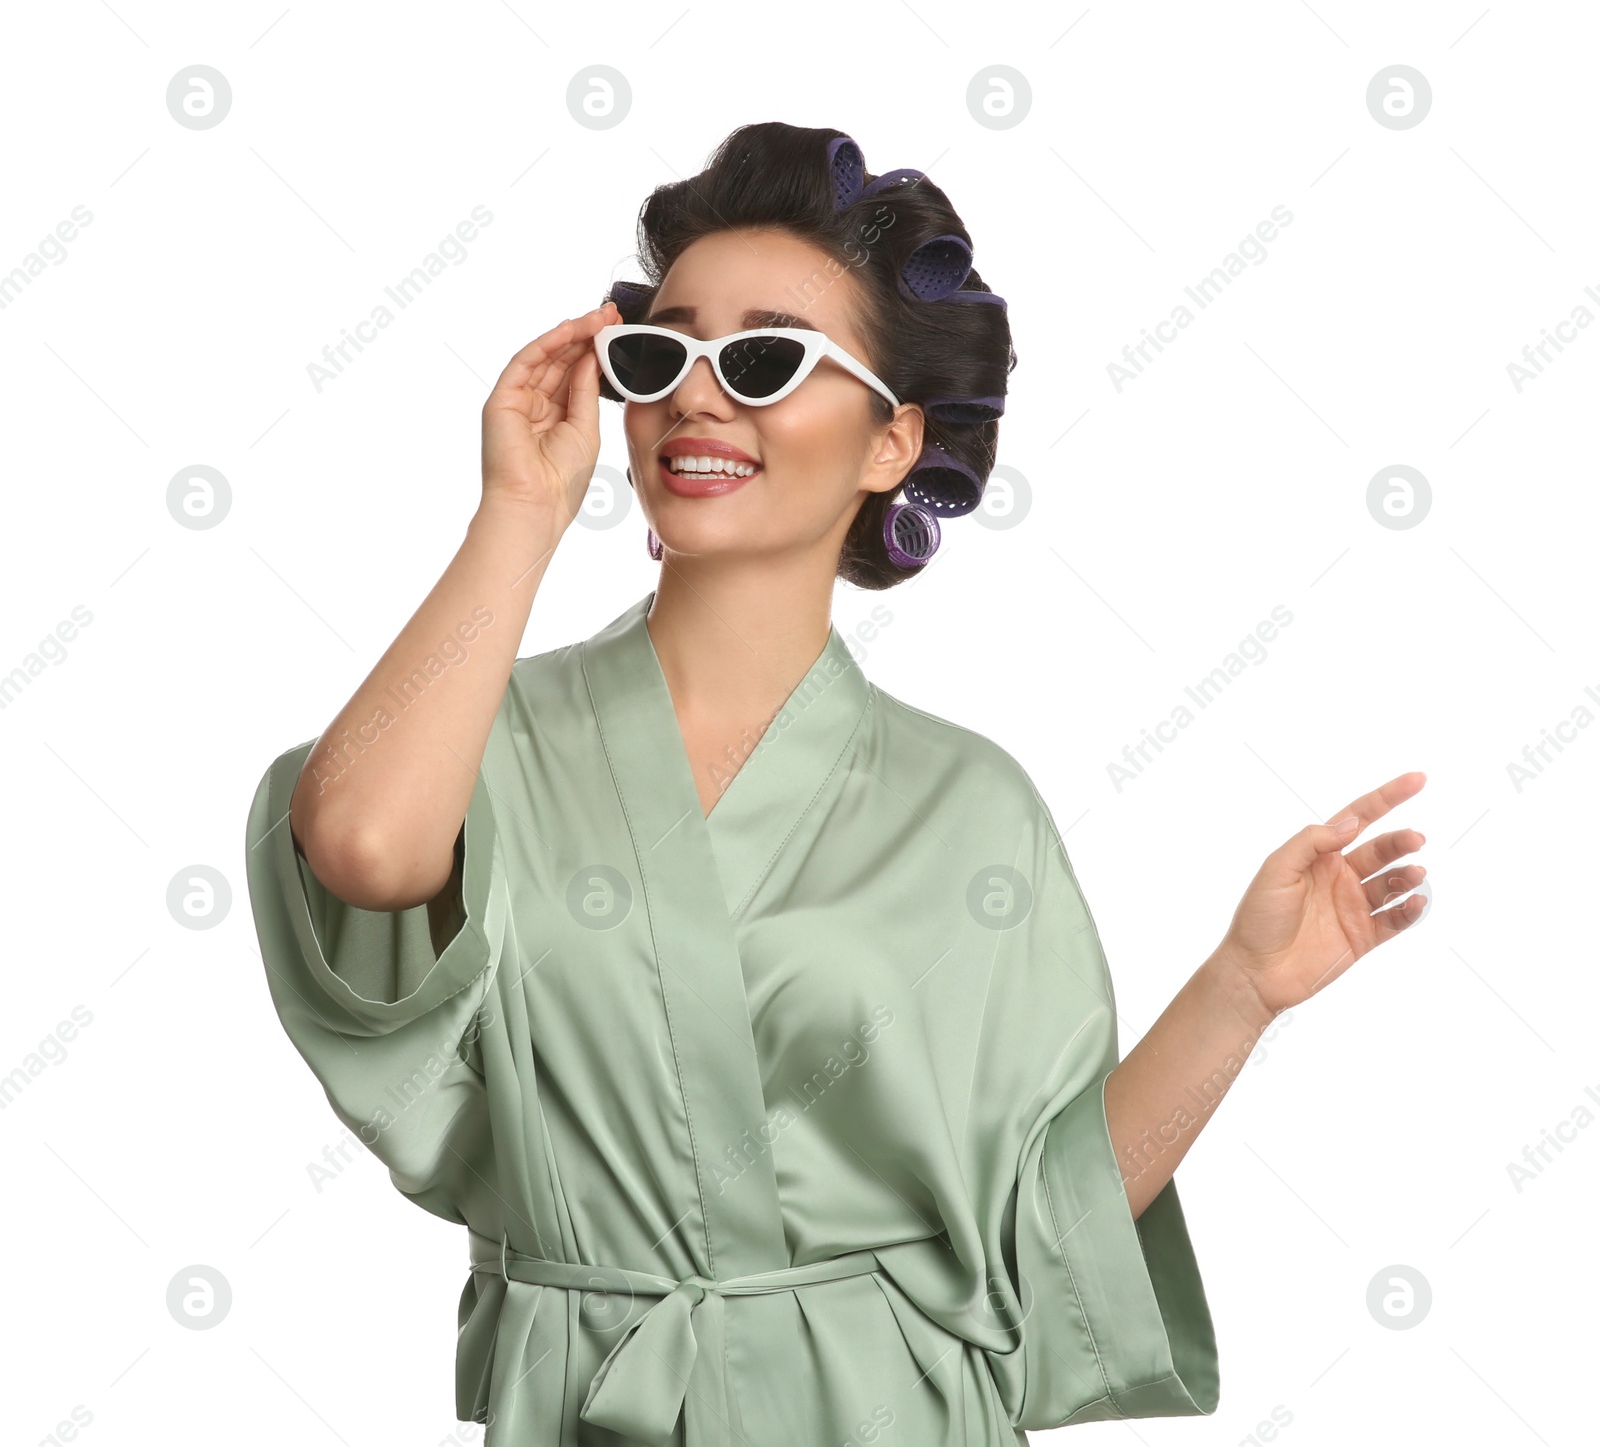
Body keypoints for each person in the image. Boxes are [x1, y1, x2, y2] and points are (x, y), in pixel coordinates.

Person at [244, 122, 1428, 1446]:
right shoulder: (487, 740)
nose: (698, 395)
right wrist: (516, 515)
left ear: (889, 442)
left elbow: (1042, 1234)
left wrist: (1239, 991)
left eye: (764, 359)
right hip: (587, 1402)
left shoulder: (968, 808)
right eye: (663, 352)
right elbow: (357, 846)